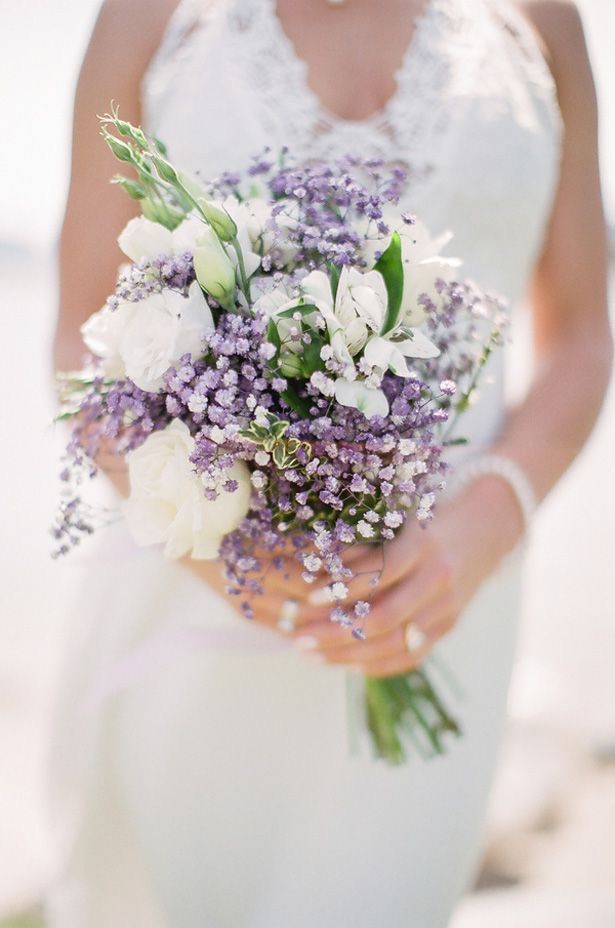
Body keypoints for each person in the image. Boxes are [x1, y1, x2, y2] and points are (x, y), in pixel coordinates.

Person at [49, 0, 611, 924]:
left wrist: (485, 521)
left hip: (444, 599)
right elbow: (80, 340)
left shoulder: (542, 18)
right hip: (195, 604)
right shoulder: (149, 17)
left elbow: (584, 332)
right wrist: (223, 558)